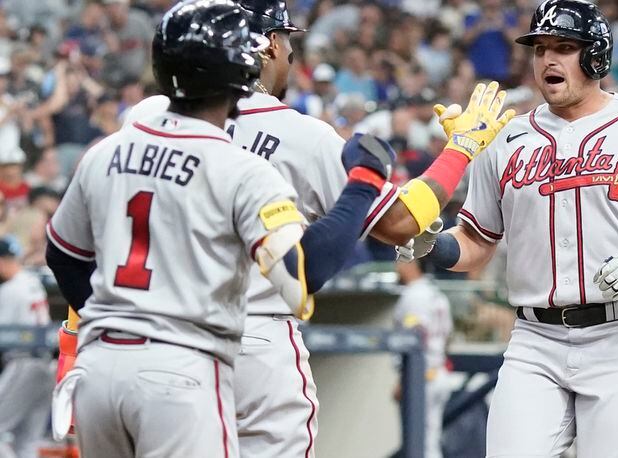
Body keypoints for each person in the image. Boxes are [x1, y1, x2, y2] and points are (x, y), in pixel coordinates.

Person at [103, 1, 516, 457]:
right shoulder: (299, 134)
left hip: (153, 333)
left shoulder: (143, 120)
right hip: (255, 338)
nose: (291, 56)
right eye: (286, 42)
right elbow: (400, 223)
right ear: (270, 45)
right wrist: (459, 149)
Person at [45, 1, 394, 456]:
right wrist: (363, 184)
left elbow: (63, 254)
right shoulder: (240, 167)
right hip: (181, 365)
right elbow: (299, 276)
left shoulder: (110, 149)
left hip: (102, 367)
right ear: (242, 66)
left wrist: (107, 317)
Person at [415, 0, 618, 455]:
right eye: (540, 48)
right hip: (535, 338)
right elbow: (475, 241)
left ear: (596, 56)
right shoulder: (504, 137)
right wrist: (431, 243)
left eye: (564, 47)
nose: (548, 59)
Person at [392, 259, 453, 458]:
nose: (397, 267)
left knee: (419, 444)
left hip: (421, 376)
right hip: (439, 371)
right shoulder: (436, 293)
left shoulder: (413, 296)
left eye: (401, 262)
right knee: (431, 440)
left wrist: (404, 378)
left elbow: (415, 340)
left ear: (412, 265)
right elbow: (447, 336)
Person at [0, 236, 52, 458]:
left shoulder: (10, 290)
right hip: (46, 365)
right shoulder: (32, 282)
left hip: (23, 362)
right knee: (27, 441)